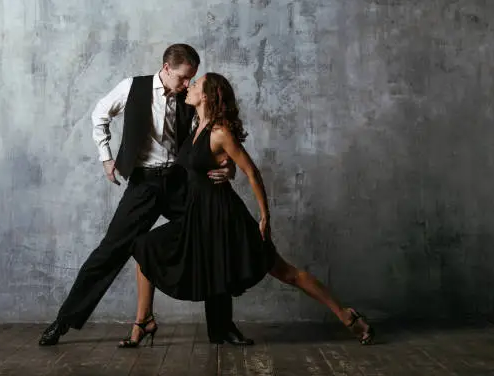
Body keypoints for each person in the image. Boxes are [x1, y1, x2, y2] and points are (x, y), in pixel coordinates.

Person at [129, 72, 375, 347]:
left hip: (226, 218)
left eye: (196, 84)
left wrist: (264, 216)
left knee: (286, 272)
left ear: (207, 96)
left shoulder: (220, 132)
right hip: (198, 218)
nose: (190, 85)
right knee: (145, 246)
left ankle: (346, 315)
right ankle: (146, 319)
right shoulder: (197, 126)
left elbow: (252, 172)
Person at [38, 44, 253, 347]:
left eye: (191, 79)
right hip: (145, 184)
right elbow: (100, 114)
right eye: (182, 78)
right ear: (166, 68)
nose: (186, 84)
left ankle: (222, 327)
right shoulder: (133, 88)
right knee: (110, 250)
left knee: (211, 237)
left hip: (180, 182)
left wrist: (227, 166)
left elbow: (211, 136)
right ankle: (63, 321)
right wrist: (106, 158)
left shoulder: (189, 98)